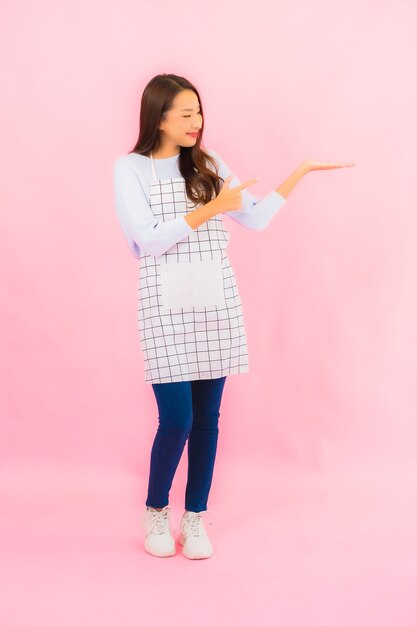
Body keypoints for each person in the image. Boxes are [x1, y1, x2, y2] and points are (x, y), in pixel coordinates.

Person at [113, 73, 355, 560]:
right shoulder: (129, 169)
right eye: (185, 114)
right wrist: (211, 209)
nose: (196, 123)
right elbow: (147, 238)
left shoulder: (208, 162)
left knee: (207, 420)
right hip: (164, 306)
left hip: (214, 303)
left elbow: (256, 217)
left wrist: (300, 171)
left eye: (199, 112)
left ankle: (195, 516)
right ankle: (156, 509)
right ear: (157, 117)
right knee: (176, 419)